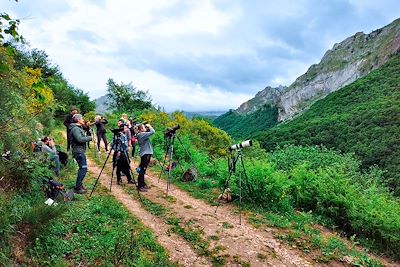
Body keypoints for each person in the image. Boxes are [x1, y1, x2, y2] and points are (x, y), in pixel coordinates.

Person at [70, 114, 92, 194]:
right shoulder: (75, 129)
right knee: (83, 168)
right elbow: (79, 139)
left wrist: (88, 126)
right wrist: (90, 138)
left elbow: (85, 129)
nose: (83, 120)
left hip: (79, 151)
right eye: (82, 119)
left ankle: (79, 185)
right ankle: (78, 187)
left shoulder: (78, 128)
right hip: (78, 151)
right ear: (78, 120)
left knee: (82, 168)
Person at [112, 120, 134, 185]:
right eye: (125, 128)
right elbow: (113, 145)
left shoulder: (123, 135)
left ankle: (129, 179)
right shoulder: (118, 136)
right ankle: (119, 180)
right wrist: (117, 150)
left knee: (127, 166)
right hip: (119, 153)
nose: (126, 129)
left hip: (124, 153)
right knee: (119, 167)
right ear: (122, 129)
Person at [135, 123, 155, 192]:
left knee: (142, 169)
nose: (145, 128)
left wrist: (146, 128)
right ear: (141, 129)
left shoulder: (140, 134)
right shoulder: (142, 134)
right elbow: (153, 132)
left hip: (145, 154)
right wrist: (150, 126)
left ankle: (142, 183)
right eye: (144, 127)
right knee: (142, 170)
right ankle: (140, 186)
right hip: (146, 154)